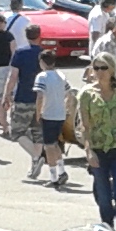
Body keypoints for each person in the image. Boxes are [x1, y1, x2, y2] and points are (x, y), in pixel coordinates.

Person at [72, 54, 116, 231]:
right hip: (98, 149)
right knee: (104, 197)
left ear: (112, 69)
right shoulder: (87, 94)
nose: (100, 72)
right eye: (96, 68)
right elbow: (84, 126)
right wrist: (88, 151)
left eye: (104, 68)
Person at [6, 26, 45, 169]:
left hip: (23, 97)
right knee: (38, 132)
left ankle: (36, 157)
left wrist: (6, 95)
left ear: (26, 36)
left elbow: (13, 76)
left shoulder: (20, 53)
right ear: (39, 35)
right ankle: (35, 163)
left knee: (17, 131)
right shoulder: (44, 54)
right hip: (41, 98)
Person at [34, 51, 75, 188]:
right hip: (60, 114)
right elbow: (70, 94)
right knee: (55, 143)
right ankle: (61, 171)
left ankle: (53, 177)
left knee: (49, 146)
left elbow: (40, 97)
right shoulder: (61, 75)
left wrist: (38, 112)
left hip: (49, 114)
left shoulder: (42, 77)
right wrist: (66, 108)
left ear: (42, 62)